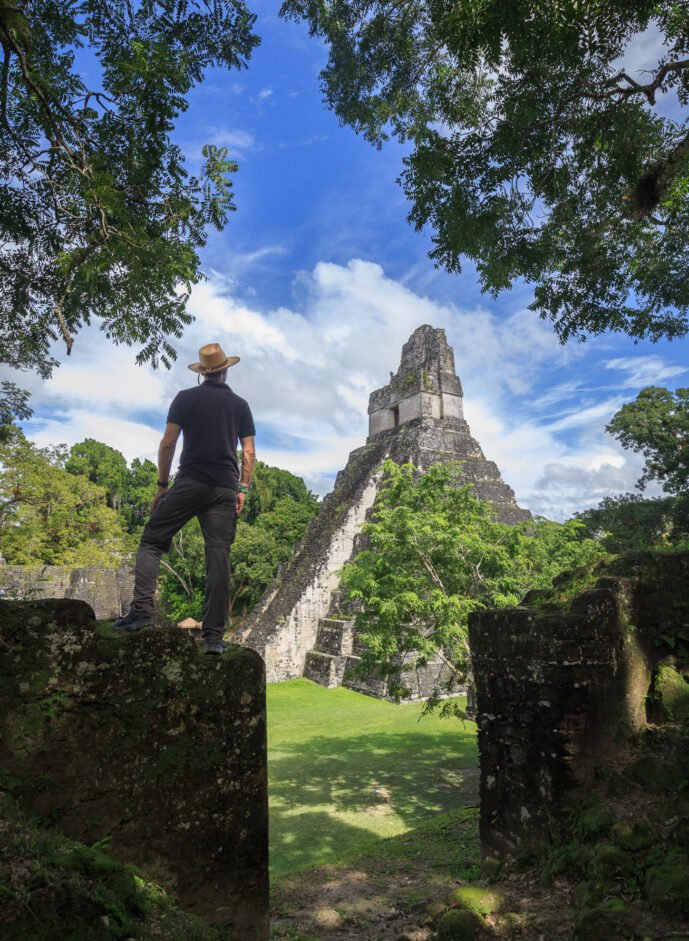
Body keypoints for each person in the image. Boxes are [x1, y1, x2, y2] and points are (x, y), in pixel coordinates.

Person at [114, 342, 256, 655]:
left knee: (153, 540)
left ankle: (140, 613)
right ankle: (215, 639)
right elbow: (248, 452)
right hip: (224, 489)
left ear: (202, 373)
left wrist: (162, 485)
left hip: (190, 482)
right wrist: (242, 489)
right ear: (225, 369)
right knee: (218, 558)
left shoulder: (185, 399)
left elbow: (167, 445)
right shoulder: (240, 405)